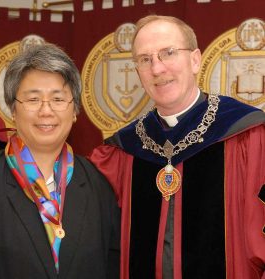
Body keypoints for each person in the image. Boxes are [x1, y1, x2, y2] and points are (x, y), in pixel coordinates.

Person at [89, 15, 265, 279]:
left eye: (168, 53)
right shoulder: (122, 151)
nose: (157, 69)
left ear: (195, 60)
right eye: (145, 59)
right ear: (138, 71)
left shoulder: (248, 135)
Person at [0, 43, 120, 279]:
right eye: (33, 99)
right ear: (13, 110)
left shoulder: (98, 183)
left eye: (58, 99)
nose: (46, 111)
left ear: (75, 110)